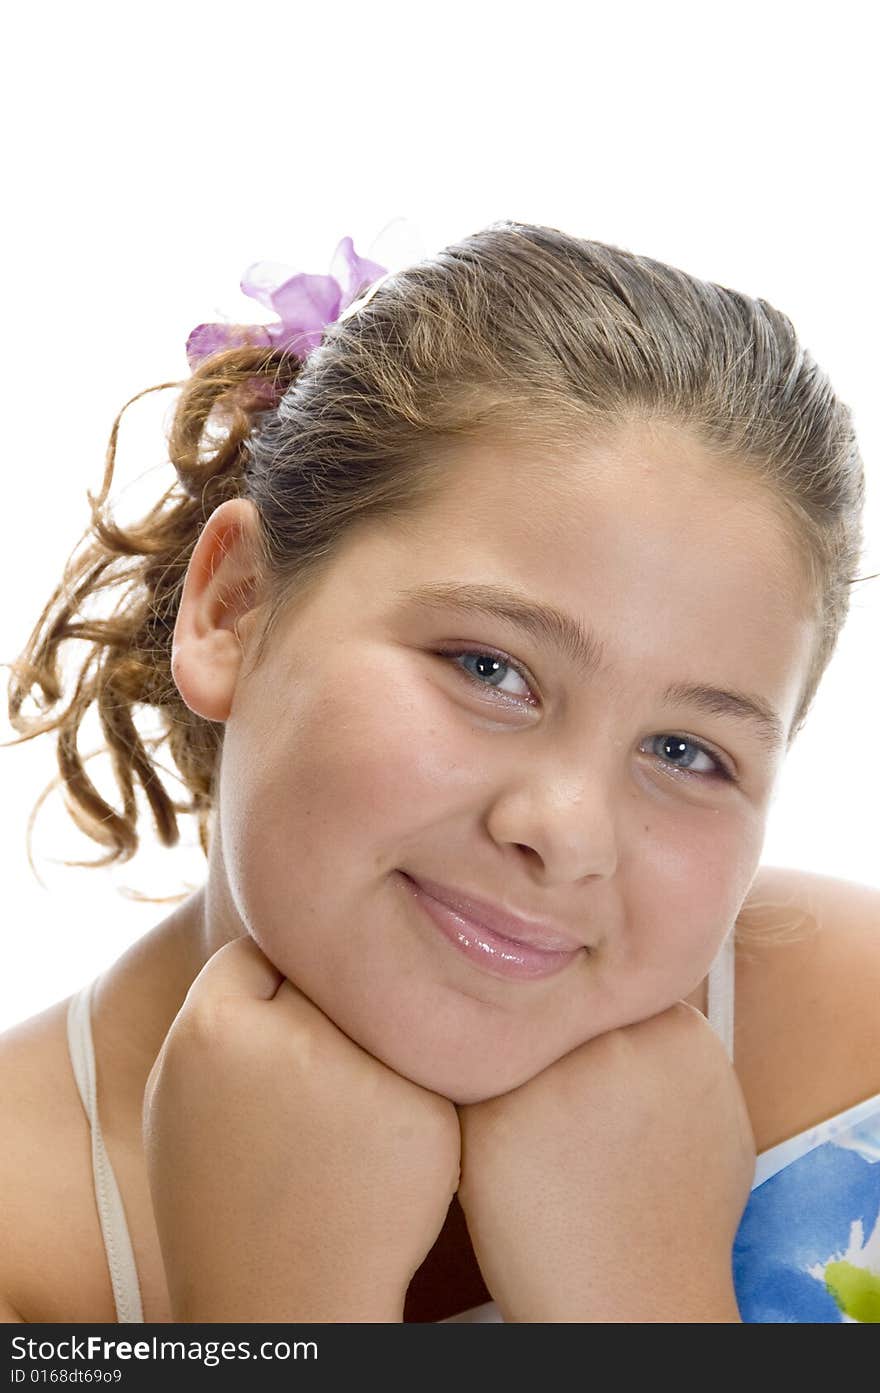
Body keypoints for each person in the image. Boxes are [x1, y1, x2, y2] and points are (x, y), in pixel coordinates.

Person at [1, 222, 878, 1325]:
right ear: (233, 608)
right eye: (488, 668)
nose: (565, 829)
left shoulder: (858, 1057)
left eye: (684, 751)